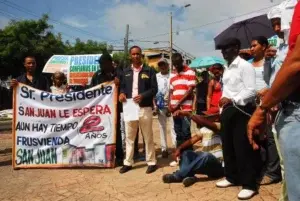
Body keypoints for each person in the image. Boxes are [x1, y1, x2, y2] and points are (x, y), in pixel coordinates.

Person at [248, 2, 300, 201]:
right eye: (274, 24)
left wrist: (264, 106)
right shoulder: (277, 49)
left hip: (287, 105)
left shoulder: (288, 49)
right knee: (284, 157)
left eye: (280, 23)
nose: (277, 28)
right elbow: (274, 77)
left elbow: (294, 66)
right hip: (279, 104)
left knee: (289, 166)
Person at [215, 38, 261, 200]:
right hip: (228, 111)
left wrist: (233, 100)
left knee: (242, 148)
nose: (223, 52)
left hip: (242, 110)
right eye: (221, 50)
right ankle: (231, 177)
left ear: (236, 48)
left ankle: (249, 185)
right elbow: (227, 90)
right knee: (227, 146)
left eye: (226, 48)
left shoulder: (245, 66)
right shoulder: (227, 68)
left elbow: (250, 91)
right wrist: (223, 102)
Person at [119, 45, 158, 174]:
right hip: (129, 108)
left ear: (141, 55)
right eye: (133, 54)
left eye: (138, 54)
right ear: (130, 56)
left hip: (144, 107)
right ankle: (128, 162)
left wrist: (143, 96)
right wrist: (122, 93)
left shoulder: (149, 70)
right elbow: (122, 88)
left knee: (147, 136)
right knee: (129, 137)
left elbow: (154, 89)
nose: (135, 56)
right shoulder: (125, 72)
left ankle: (151, 162)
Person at [250, 36, 282, 186]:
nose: (251, 48)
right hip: (253, 105)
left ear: (263, 46)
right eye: (250, 46)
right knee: (256, 137)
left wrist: (268, 90)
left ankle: (273, 172)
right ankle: (261, 167)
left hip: (268, 103)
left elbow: (275, 80)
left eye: (254, 45)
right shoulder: (249, 64)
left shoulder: (270, 61)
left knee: (270, 138)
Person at [162, 111, 223, 188]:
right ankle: (189, 176)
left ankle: (178, 175)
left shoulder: (221, 126)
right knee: (186, 153)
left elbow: (204, 122)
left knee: (206, 156)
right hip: (205, 164)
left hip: (218, 166)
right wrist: (179, 148)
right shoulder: (204, 130)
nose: (205, 117)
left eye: (208, 116)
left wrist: (189, 114)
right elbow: (191, 141)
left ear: (216, 117)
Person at [90, 53, 124, 166]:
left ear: (109, 63)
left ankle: (119, 156)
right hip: (101, 110)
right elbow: (91, 90)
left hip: (115, 109)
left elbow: (125, 87)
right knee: (101, 131)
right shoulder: (97, 75)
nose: (100, 65)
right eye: (99, 63)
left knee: (116, 132)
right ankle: (102, 155)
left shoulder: (119, 73)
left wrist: (119, 85)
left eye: (102, 63)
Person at [169, 53, 196, 166]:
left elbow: (190, 90)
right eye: (174, 64)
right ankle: (179, 157)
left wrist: (178, 103)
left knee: (186, 133)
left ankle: (189, 158)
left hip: (186, 108)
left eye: (178, 64)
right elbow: (171, 91)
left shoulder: (190, 72)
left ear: (182, 61)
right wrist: (170, 105)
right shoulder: (172, 74)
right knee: (178, 133)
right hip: (174, 109)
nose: (176, 66)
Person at [153, 58, 176, 158]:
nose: (162, 67)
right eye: (160, 65)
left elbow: (174, 91)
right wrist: (154, 105)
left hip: (172, 105)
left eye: (164, 65)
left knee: (173, 127)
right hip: (160, 105)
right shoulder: (156, 76)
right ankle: (164, 149)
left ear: (167, 65)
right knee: (162, 127)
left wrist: (171, 105)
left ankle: (176, 147)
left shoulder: (172, 76)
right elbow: (153, 91)